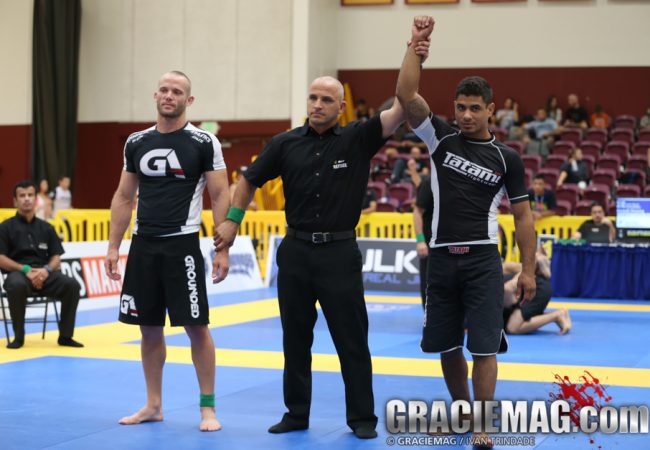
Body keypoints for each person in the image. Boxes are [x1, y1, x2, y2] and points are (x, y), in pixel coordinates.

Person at [213, 45, 430, 439]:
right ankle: (296, 413)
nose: (317, 104)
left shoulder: (359, 137)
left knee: (352, 340)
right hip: (295, 252)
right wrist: (233, 221)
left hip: (338, 253)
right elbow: (249, 180)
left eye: (326, 99)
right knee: (295, 339)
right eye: (313, 97)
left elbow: (402, 105)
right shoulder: (284, 143)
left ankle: (361, 418)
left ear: (341, 107)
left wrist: (413, 52)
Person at [395, 16, 536, 448]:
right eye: (461, 107)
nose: (467, 115)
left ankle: (483, 423)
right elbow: (406, 95)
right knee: (446, 344)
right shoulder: (440, 139)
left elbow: (523, 217)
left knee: (485, 346)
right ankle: (462, 415)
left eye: (476, 108)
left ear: (492, 109)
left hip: (482, 262)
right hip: (442, 261)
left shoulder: (507, 158)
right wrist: (416, 48)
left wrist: (528, 270)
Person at [104, 71, 230, 432]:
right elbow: (124, 196)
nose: (169, 95)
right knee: (148, 328)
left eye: (177, 91)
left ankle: (207, 408)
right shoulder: (136, 142)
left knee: (196, 327)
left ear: (189, 100)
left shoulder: (204, 142)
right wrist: (113, 245)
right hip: (144, 244)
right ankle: (153, 404)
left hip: (182, 244)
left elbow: (220, 194)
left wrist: (222, 249)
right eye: (164, 90)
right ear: (155, 95)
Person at [0, 180, 83, 349]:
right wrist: (25, 269)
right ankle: (19, 338)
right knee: (15, 285)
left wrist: (45, 271)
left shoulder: (47, 228)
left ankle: (65, 336)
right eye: (22, 196)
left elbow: (56, 258)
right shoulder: (5, 228)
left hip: (45, 274)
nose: (27, 199)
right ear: (15, 201)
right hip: (18, 274)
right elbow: (1, 258)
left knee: (72, 285)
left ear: (36, 199)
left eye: (30, 195)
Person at [503, 250, 571, 335]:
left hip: (536, 289)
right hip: (525, 287)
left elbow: (510, 293)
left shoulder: (506, 287)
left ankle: (557, 316)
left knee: (513, 327)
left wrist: (536, 262)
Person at [413, 174, 433, 308]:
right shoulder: (429, 182)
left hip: (450, 243)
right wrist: (420, 240)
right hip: (430, 242)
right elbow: (417, 211)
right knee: (427, 283)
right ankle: (427, 314)